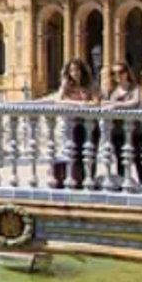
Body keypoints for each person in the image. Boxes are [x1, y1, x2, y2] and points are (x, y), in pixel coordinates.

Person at [51, 56, 98, 187]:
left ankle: (89, 180)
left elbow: (96, 102)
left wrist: (86, 103)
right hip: (73, 125)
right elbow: (58, 101)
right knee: (75, 153)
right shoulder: (67, 84)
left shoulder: (89, 84)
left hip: (89, 125)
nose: (74, 73)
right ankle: (77, 181)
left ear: (82, 71)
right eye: (72, 70)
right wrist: (78, 103)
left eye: (77, 70)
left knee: (90, 154)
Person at [103, 61, 142, 188]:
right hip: (118, 131)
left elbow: (135, 102)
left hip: (135, 130)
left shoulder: (135, 88)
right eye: (114, 73)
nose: (118, 75)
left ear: (127, 73)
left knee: (139, 159)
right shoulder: (112, 90)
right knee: (121, 159)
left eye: (121, 72)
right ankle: (123, 185)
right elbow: (104, 103)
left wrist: (116, 105)